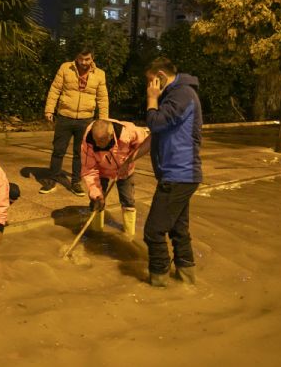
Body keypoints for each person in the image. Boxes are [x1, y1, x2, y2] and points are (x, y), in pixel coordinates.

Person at [144, 58, 202, 287]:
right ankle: (187, 281)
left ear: (159, 75)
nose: (149, 86)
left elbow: (156, 123)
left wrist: (151, 100)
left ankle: (158, 284)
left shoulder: (181, 94)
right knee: (178, 230)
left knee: (153, 232)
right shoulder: (179, 94)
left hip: (179, 174)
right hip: (181, 175)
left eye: (150, 81)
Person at [41, 48, 109, 196]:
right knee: (58, 150)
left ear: (92, 58)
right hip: (65, 116)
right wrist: (49, 110)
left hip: (85, 119)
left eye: (87, 59)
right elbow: (55, 89)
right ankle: (52, 180)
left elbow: (102, 98)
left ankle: (76, 182)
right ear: (76, 58)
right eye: (81, 59)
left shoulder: (100, 74)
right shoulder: (66, 68)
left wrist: (103, 120)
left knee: (80, 153)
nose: (84, 63)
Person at [81, 119, 150, 236]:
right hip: (101, 169)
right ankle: (96, 233)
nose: (97, 144)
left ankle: (129, 235)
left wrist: (128, 161)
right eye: (96, 140)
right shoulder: (88, 142)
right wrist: (97, 194)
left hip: (125, 169)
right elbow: (89, 170)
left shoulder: (128, 132)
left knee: (128, 201)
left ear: (111, 136)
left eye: (101, 140)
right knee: (96, 201)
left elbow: (146, 142)